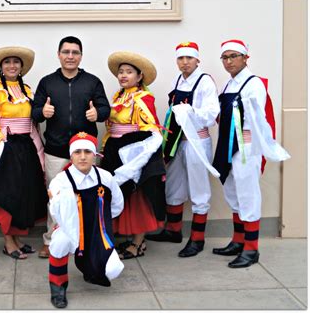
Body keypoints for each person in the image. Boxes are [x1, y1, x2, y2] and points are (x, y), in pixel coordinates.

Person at [212, 39, 290, 268]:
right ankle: (237, 241)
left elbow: (257, 120)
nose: (228, 61)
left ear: (246, 58)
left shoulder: (253, 84)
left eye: (233, 56)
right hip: (227, 146)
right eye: (224, 57)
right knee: (233, 192)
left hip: (246, 148)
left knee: (248, 195)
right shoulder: (229, 84)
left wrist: (252, 146)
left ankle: (251, 249)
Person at [31, 36, 111, 258]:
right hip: (55, 150)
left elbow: (106, 109)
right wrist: (41, 113)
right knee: (55, 197)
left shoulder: (92, 82)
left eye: (75, 52)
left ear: (81, 56)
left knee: (88, 195)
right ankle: (51, 240)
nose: (70, 56)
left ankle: (88, 239)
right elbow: (34, 111)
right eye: (66, 52)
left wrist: (98, 114)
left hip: (85, 150)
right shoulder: (47, 82)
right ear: (58, 54)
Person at [145, 42, 221, 258]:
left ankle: (197, 239)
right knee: (173, 185)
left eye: (189, 58)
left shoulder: (205, 82)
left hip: (197, 141)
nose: (185, 62)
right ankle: (173, 230)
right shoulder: (178, 80)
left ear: (198, 60)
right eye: (181, 58)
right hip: (176, 142)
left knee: (199, 190)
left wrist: (190, 112)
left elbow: (212, 114)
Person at [0, 46, 48, 259]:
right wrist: (2, 142)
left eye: (16, 62)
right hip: (5, 148)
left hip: (26, 146)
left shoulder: (28, 90)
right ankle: (8, 242)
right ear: (1, 67)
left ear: (21, 67)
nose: (12, 66)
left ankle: (17, 238)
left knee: (23, 193)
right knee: (7, 194)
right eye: (7, 62)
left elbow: (34, 119)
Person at [101, 51, 166, 259]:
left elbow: (149, 129)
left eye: (129, 72)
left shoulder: (143, 98)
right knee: (122, 195)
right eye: (121, 72)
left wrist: (135, 157)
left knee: (137, 196)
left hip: (133, 154)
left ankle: (138, 243)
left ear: (139, 77)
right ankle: (133, 240)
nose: (123, 76)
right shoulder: (118, 97)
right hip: (116, 150)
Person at [48, 132, 124, 308]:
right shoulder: (61, 181)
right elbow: (56, 210)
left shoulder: (105, 177)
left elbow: (117, 205)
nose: (82, 157)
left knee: (113, 269)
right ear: (71, 155)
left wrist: (101, 224)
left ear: (95, 155)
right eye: (77, 152)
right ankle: (58, 286)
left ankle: (92, 270)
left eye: (88, 152)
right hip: (71, 228)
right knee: (59, 242)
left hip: (98, 229)